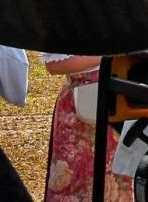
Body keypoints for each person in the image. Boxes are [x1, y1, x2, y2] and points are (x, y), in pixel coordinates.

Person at [40, 53, 132, 202]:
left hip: (126, 105)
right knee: (80, 183)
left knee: (120, 181)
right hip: (84, 110)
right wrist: (118, 53)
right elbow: (54, 65)